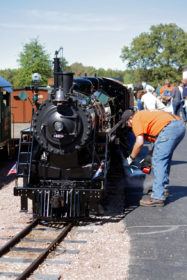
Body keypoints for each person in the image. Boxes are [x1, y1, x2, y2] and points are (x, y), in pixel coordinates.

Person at [121, 109, 186, 207]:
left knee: (159, 161)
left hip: (170, 128)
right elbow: (160, 141)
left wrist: (130, 159)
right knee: (163, 159)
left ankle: (157, 197)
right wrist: (149, 156)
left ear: (130, 119)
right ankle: (162, 190)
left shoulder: (136, 119)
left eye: (127, 124)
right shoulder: (143, 115)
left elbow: (139, 143)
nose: (129, 127)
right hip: (179, 126)